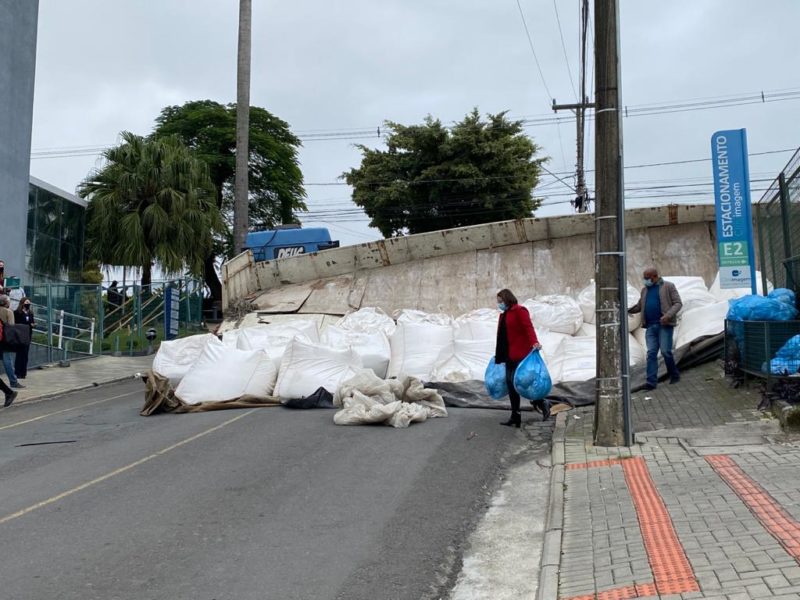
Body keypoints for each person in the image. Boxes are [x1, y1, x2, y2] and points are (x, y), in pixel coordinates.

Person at [495, 288, 548, 427]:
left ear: (507, 299)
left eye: (501, 301)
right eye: (498, 301)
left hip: (521, 354)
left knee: (522, 383)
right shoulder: (504, 315)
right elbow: (502, 336)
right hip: (508, 355)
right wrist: (499, 352)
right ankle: (515, 416)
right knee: (510, 384)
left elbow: (528, 327)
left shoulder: (520, 311)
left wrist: (534, 342)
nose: (499, 304)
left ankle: (542, 402)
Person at [628, 267, 682, 390]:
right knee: (651, 353)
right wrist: (627, 310)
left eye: (647, 278)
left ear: (654, 276)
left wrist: (668, 316)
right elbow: (639, 306)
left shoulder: (668, 286)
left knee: (665, 351)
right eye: (644, 278)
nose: (645, 280)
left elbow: (678, 303)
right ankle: (651, 382)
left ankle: (674, 374)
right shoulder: (644, 290)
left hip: (664, 325)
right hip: (650, 327)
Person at [0, 295, 23, 389]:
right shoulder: (8, 312)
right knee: (7, 361)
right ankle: (13, 382)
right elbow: (11, 327)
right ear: (6, 302)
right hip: (5, 340)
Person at [13, 297, 34, 379]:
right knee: (19, 354)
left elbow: (32, 322)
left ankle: (23, 373)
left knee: (25, 354)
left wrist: (32, 325)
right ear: (22, 303)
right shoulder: (17, 312)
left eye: (29, 303)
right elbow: (15, 323)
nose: (28, 304)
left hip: (28, 335)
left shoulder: (30, 313)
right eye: (26, 303)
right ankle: (17, 372)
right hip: (20, 335)